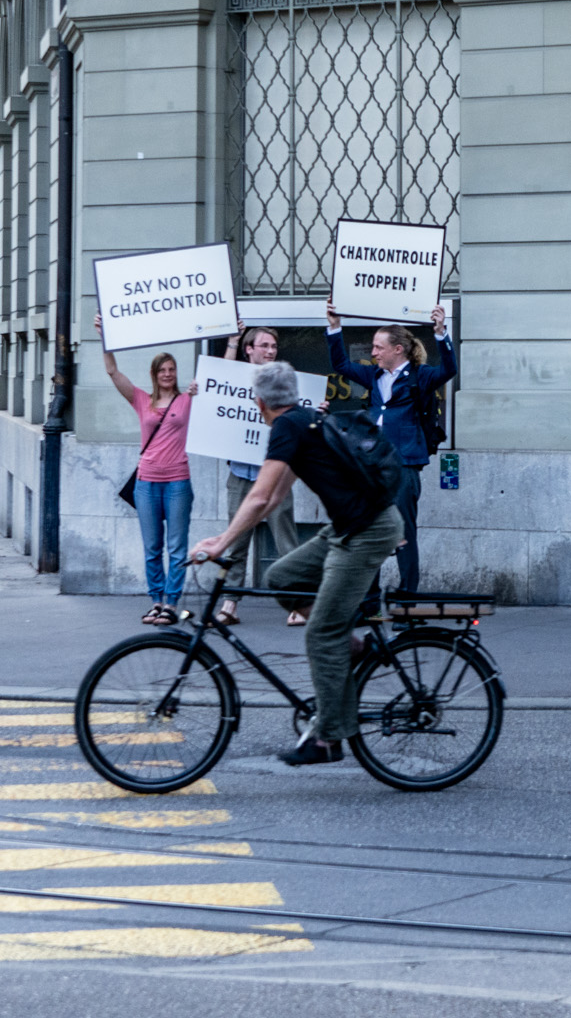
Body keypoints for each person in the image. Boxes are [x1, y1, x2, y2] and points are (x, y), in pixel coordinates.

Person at [192, 360, 403, 767]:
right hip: (348, 527)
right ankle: (355, 647)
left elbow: (257, 497)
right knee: (282, 576)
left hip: (367, 530)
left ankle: (327, 740)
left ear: (259, 402)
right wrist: (230, 538)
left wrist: (221, 543)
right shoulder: (301, 422)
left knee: (321, 634)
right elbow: (272, 497)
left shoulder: (289, 426)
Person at [324, 303, 453, 594]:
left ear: (398, 349)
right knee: (369, 531)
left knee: (404, 531)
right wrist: (335, 327)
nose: (373, 353)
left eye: (378, 347)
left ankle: (407, 599)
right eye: (373, 347)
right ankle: (369, 602)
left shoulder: (420, 375)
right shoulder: (374, 376)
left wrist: (440, 333)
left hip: (404, 463)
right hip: (371, 465)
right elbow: (341, 365)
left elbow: (449, 369)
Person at [100, 314, 195, 626]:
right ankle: (156, 601)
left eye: (172, 369)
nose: (168, 374)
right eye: (162, 370)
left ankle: (171, 604)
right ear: (154, 374)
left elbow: (221, 381)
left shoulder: (187, 400)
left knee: (177, 548)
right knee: (152, 548)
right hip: (146, 483)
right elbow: (113, 371)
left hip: (178, 481)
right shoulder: (141, 400)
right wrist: (105, 336)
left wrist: (233, 343)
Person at [214, 322, 306, 628]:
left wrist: (315, 407)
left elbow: (300, 409)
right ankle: (230, 603)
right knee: (237, 541)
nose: (270, 351)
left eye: (274, 346)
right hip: (241, 472)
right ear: (249, 350)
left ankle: (296, 602)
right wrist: (232, 341)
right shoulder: (235, 379)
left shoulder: (283, 380)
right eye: (264, 345)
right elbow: (219, 380)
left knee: (285, 540)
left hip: (275, 473)